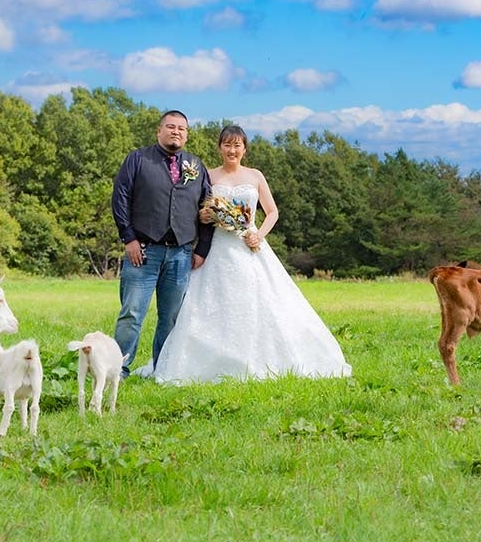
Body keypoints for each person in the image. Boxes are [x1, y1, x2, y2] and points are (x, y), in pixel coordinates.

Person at [150, 124, 352, 384]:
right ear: (219, 147)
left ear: (244, 148)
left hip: (249, 246)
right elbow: (196, 212)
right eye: (227, 145)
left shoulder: (255, 176)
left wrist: (259, 234)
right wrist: (204, 215)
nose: (232, 150)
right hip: (218, 249)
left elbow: (272, 212)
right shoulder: (207, 176)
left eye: (237, 145)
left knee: (263, 301)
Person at [111, 110, 214, 378]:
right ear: (159, 131)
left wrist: (201, 249)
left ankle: (163, 369)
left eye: (181, 128)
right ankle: (117, 369)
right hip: (143, 252)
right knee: (132, 314)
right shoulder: (137, 159)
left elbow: (208, 209)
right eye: (170, 126)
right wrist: (129, 238)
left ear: (187, 134)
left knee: (170, 318)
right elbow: (120, 198)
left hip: (181, 254)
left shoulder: (196, 166)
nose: (176, 132)